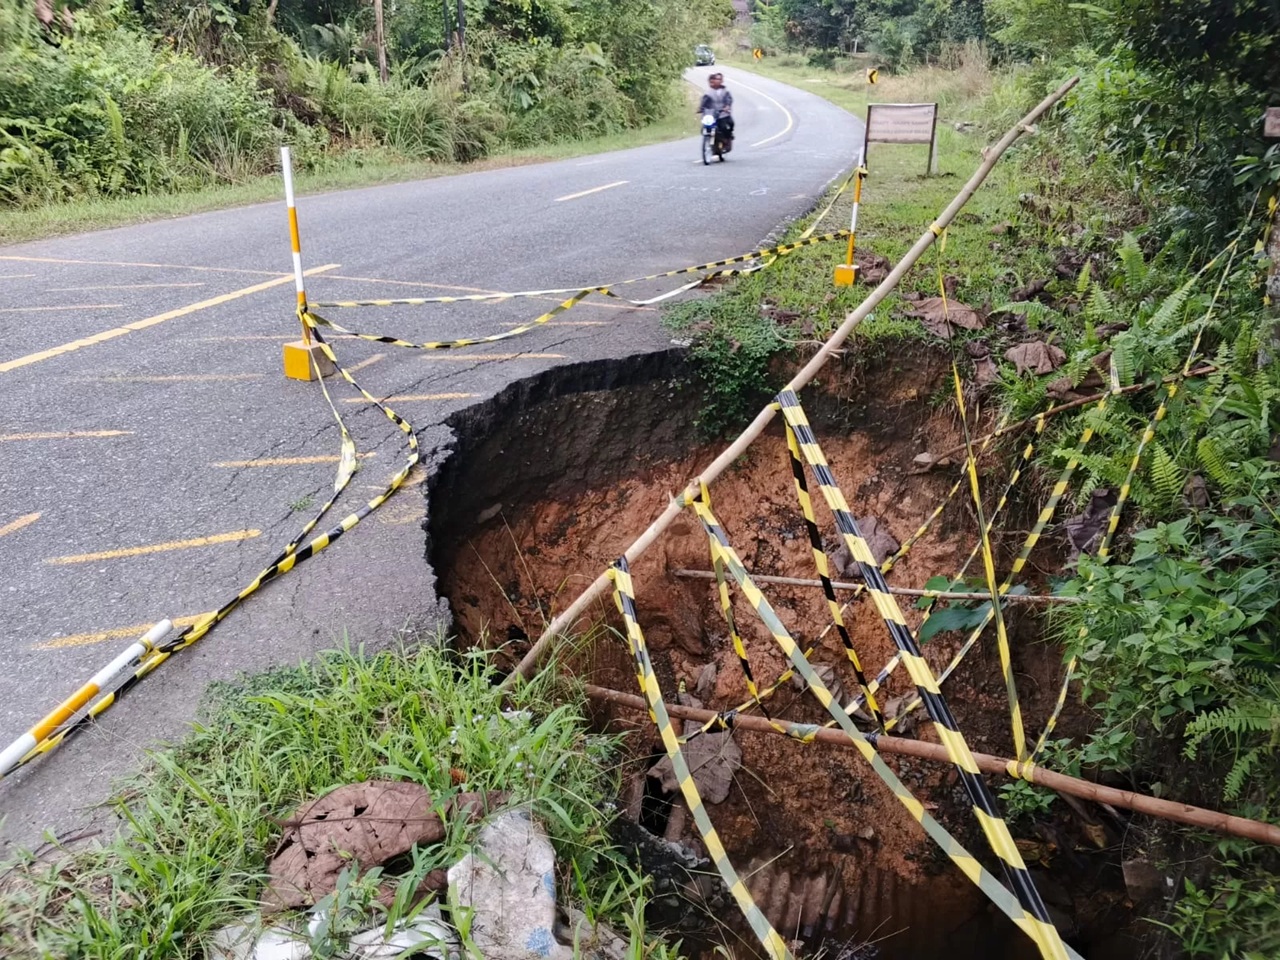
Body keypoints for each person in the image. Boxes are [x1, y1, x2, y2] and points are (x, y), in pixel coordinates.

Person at [698, 73, 734, 153]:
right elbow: (704, 102)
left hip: (723, 114)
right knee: (705, 126)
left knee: (724, 126)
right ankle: (709, 141)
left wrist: (727, 106)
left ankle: (726, 141)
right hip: (712, 114)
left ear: (721, 81)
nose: (717, 81)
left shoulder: (725, 91)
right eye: (715, 79)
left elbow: (728, 100)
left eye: (719, 79)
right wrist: (701, 108)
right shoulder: (708, 92)